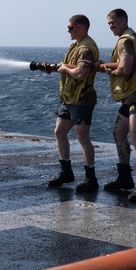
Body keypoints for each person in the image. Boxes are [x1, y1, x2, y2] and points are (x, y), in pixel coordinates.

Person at [96, 8, 136, 202]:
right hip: (131, 96)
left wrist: (107, 70)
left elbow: (125, 67)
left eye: (113, 22)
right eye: (108, 24)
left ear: (123, 21)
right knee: (118, 132)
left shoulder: (125, 40)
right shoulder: (131, 37)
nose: (110, 26)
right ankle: (124, 177)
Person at [41, 14, 100, 192]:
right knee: (59, 132)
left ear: (81, 27)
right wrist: (56, 67)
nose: (68, 30)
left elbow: (81, 73)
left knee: (82, 137)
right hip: (69, 98)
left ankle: (91, 178)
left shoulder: (86, 48)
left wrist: (65, 68)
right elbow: (73, 67)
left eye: (71, 27)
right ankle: (66, 172)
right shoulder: (76, 45)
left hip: (81, 98)